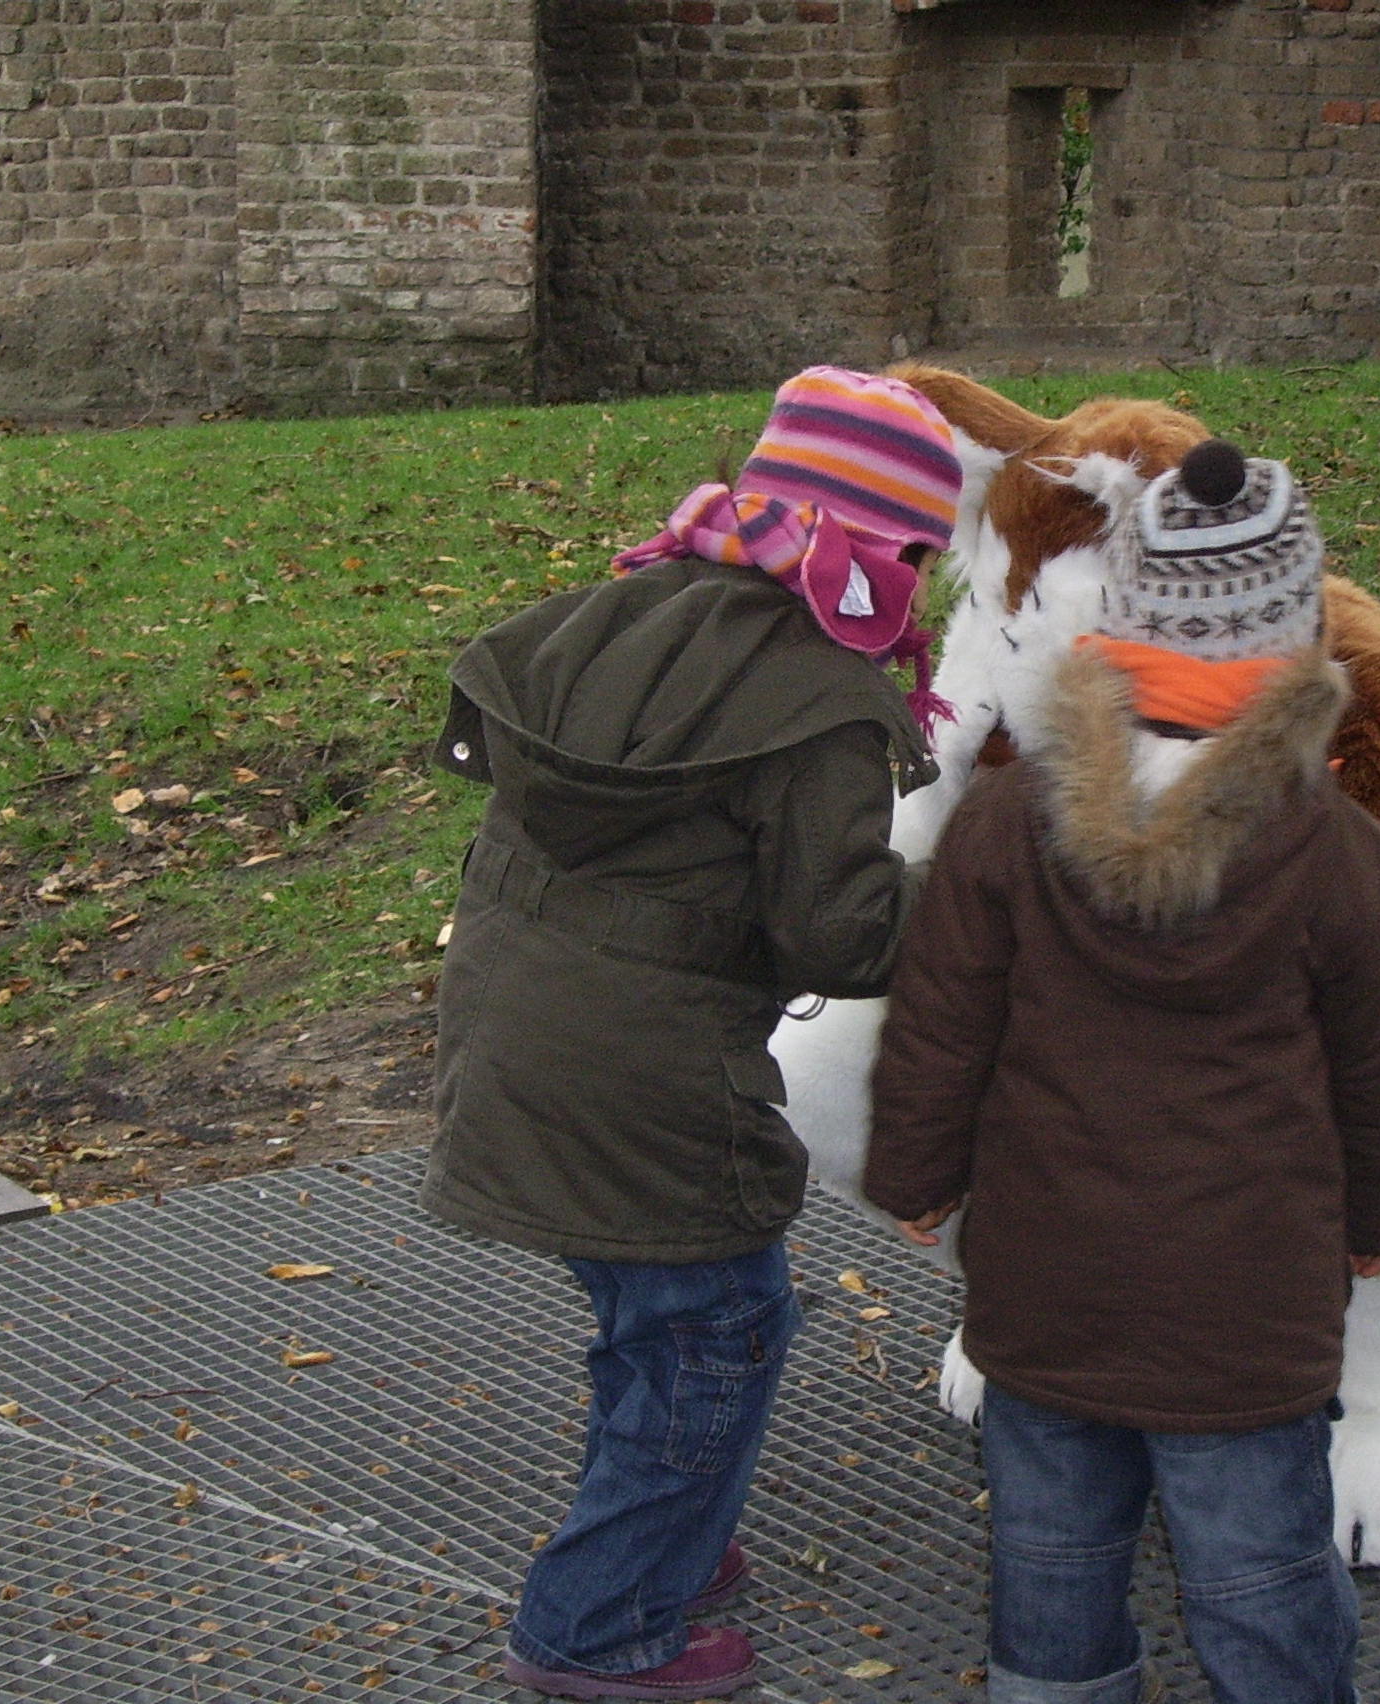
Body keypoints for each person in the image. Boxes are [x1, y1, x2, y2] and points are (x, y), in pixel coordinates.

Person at [862, 439, 1380, 1704]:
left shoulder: (1008, 821)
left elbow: (940, 1019)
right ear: (1293, 644)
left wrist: (916, 1175)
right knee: (1259, 1568)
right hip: (1245, 1302)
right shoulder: (1337, 852)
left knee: (1050, 1554)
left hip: (1046, 1281)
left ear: (1122, 622)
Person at [423, 366, 965, 1701]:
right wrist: (964, 893)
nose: (923, 586)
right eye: (918, 553)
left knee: (647, 1311)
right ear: (878, 550)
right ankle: (597, 1624)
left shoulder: (623, 612)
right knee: (719, 1325)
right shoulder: (817, 700)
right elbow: (839, 934)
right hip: (648, 1075)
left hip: (508, 1030)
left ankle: (668, 1533)